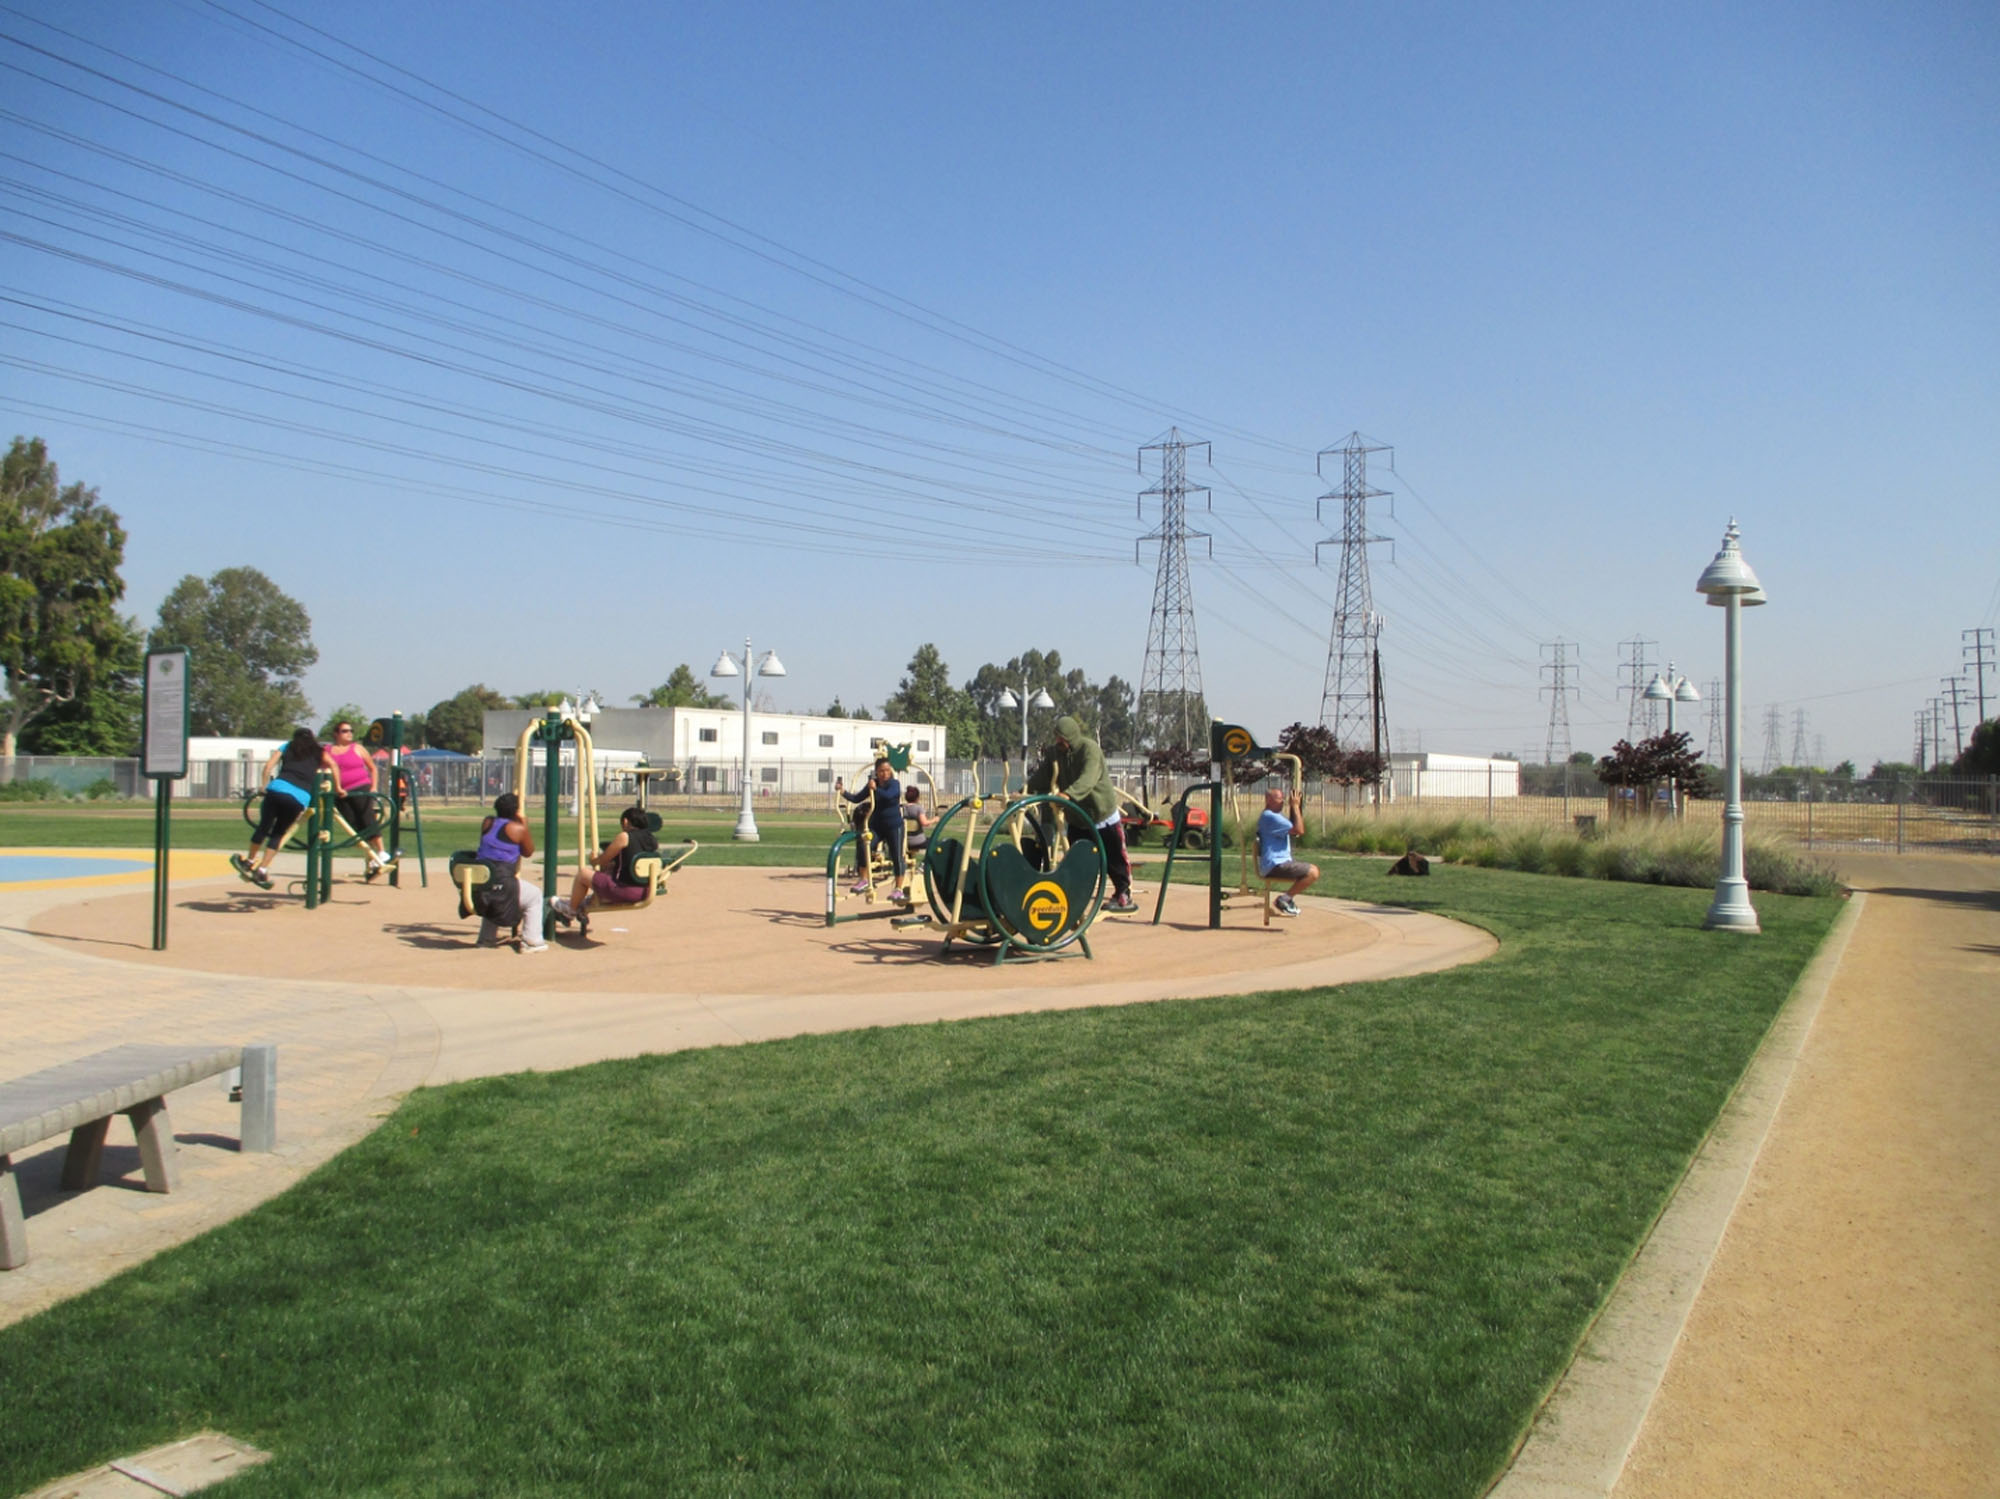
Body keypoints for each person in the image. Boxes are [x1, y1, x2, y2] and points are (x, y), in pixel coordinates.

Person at [1027, 714, 1136, 912]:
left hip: (1102, 814)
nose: (1059, 743)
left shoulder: (1090, 750)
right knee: (1078, 860)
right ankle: (1075, 898)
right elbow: (1043, 776)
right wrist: (1024, 790)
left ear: (1072, 737)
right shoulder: (1055, 754)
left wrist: (1068, 795)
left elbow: (1088, 778)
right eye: (1057, 738)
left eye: (1063, 739)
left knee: (1115, 858)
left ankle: (1123, 893)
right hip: (1078, 818)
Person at [232, 727, 334, 889]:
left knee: (263, 827)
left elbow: (268, 767)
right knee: (279, 833)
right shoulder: (319, 751)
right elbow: (334, 766)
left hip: (278, 788)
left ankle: (249, 861)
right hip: (300, 797)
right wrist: (339, 787)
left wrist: (263, 787)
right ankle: (263, 869)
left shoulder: (288, 746)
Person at [551, 805, 659, 934]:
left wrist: (593, 860)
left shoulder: (625, 837)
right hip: (645, 890)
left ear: (625, 821)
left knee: (583, 874)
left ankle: (570, 911)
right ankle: (582, 904)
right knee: (603, 878)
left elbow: (603, 860)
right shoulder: (652, 840)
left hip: (625, 890)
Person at [471, 791, 547, 952]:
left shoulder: (487, 822)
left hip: (482, 883)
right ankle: (531, 940)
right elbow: (528, 851)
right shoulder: (517, 829)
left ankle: (486, 938)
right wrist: (524, 825)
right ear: (516, 810)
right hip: (502, 883)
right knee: (534, 896)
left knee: (492, 887)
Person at [324, 719, 391, 879]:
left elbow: (372, 768)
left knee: (367, 819)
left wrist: (373, 787)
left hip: (360, 787)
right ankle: (372, 858)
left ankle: (381, 852)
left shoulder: (357, 748)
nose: (349, 734)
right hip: (340, 793)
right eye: (345, 731)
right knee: (353, 826)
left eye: (351, 731)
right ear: (336, 734)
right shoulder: (327, 750)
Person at [841, 757, 909, 904]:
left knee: (896, 856)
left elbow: (890, 796)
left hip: (894, 826)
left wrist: (875, 788)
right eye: (881, 771)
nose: (885, 774)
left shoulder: (894, 784)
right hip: (877, 825)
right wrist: (843, 791)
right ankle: (863, 879)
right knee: (863, 845)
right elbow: (857, 798)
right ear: (876, 772)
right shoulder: (873, 784)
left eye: (887, 770)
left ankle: (898, 889)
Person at [1255, 785, 1320, 917]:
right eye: (1279, 799)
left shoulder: (1274, 816)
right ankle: (1284, 900)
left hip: (1277, 863)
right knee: (1313, 872)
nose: (1283, 802)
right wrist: (1295, 806)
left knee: (1310, 872)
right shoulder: (1270, 817)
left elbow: (1294, 829)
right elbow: (1299, 830)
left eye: (1283, 799)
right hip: (1275, 864)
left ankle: (1286, 899)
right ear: (1268, 799)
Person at [903, 785, 931, 856]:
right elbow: (924, 823)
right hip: (918, 841)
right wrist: (934, 820)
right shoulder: (918, 808)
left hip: (904, 841)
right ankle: (923, 864)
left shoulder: (901, 808)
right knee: (933, 842)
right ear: (917, 798)